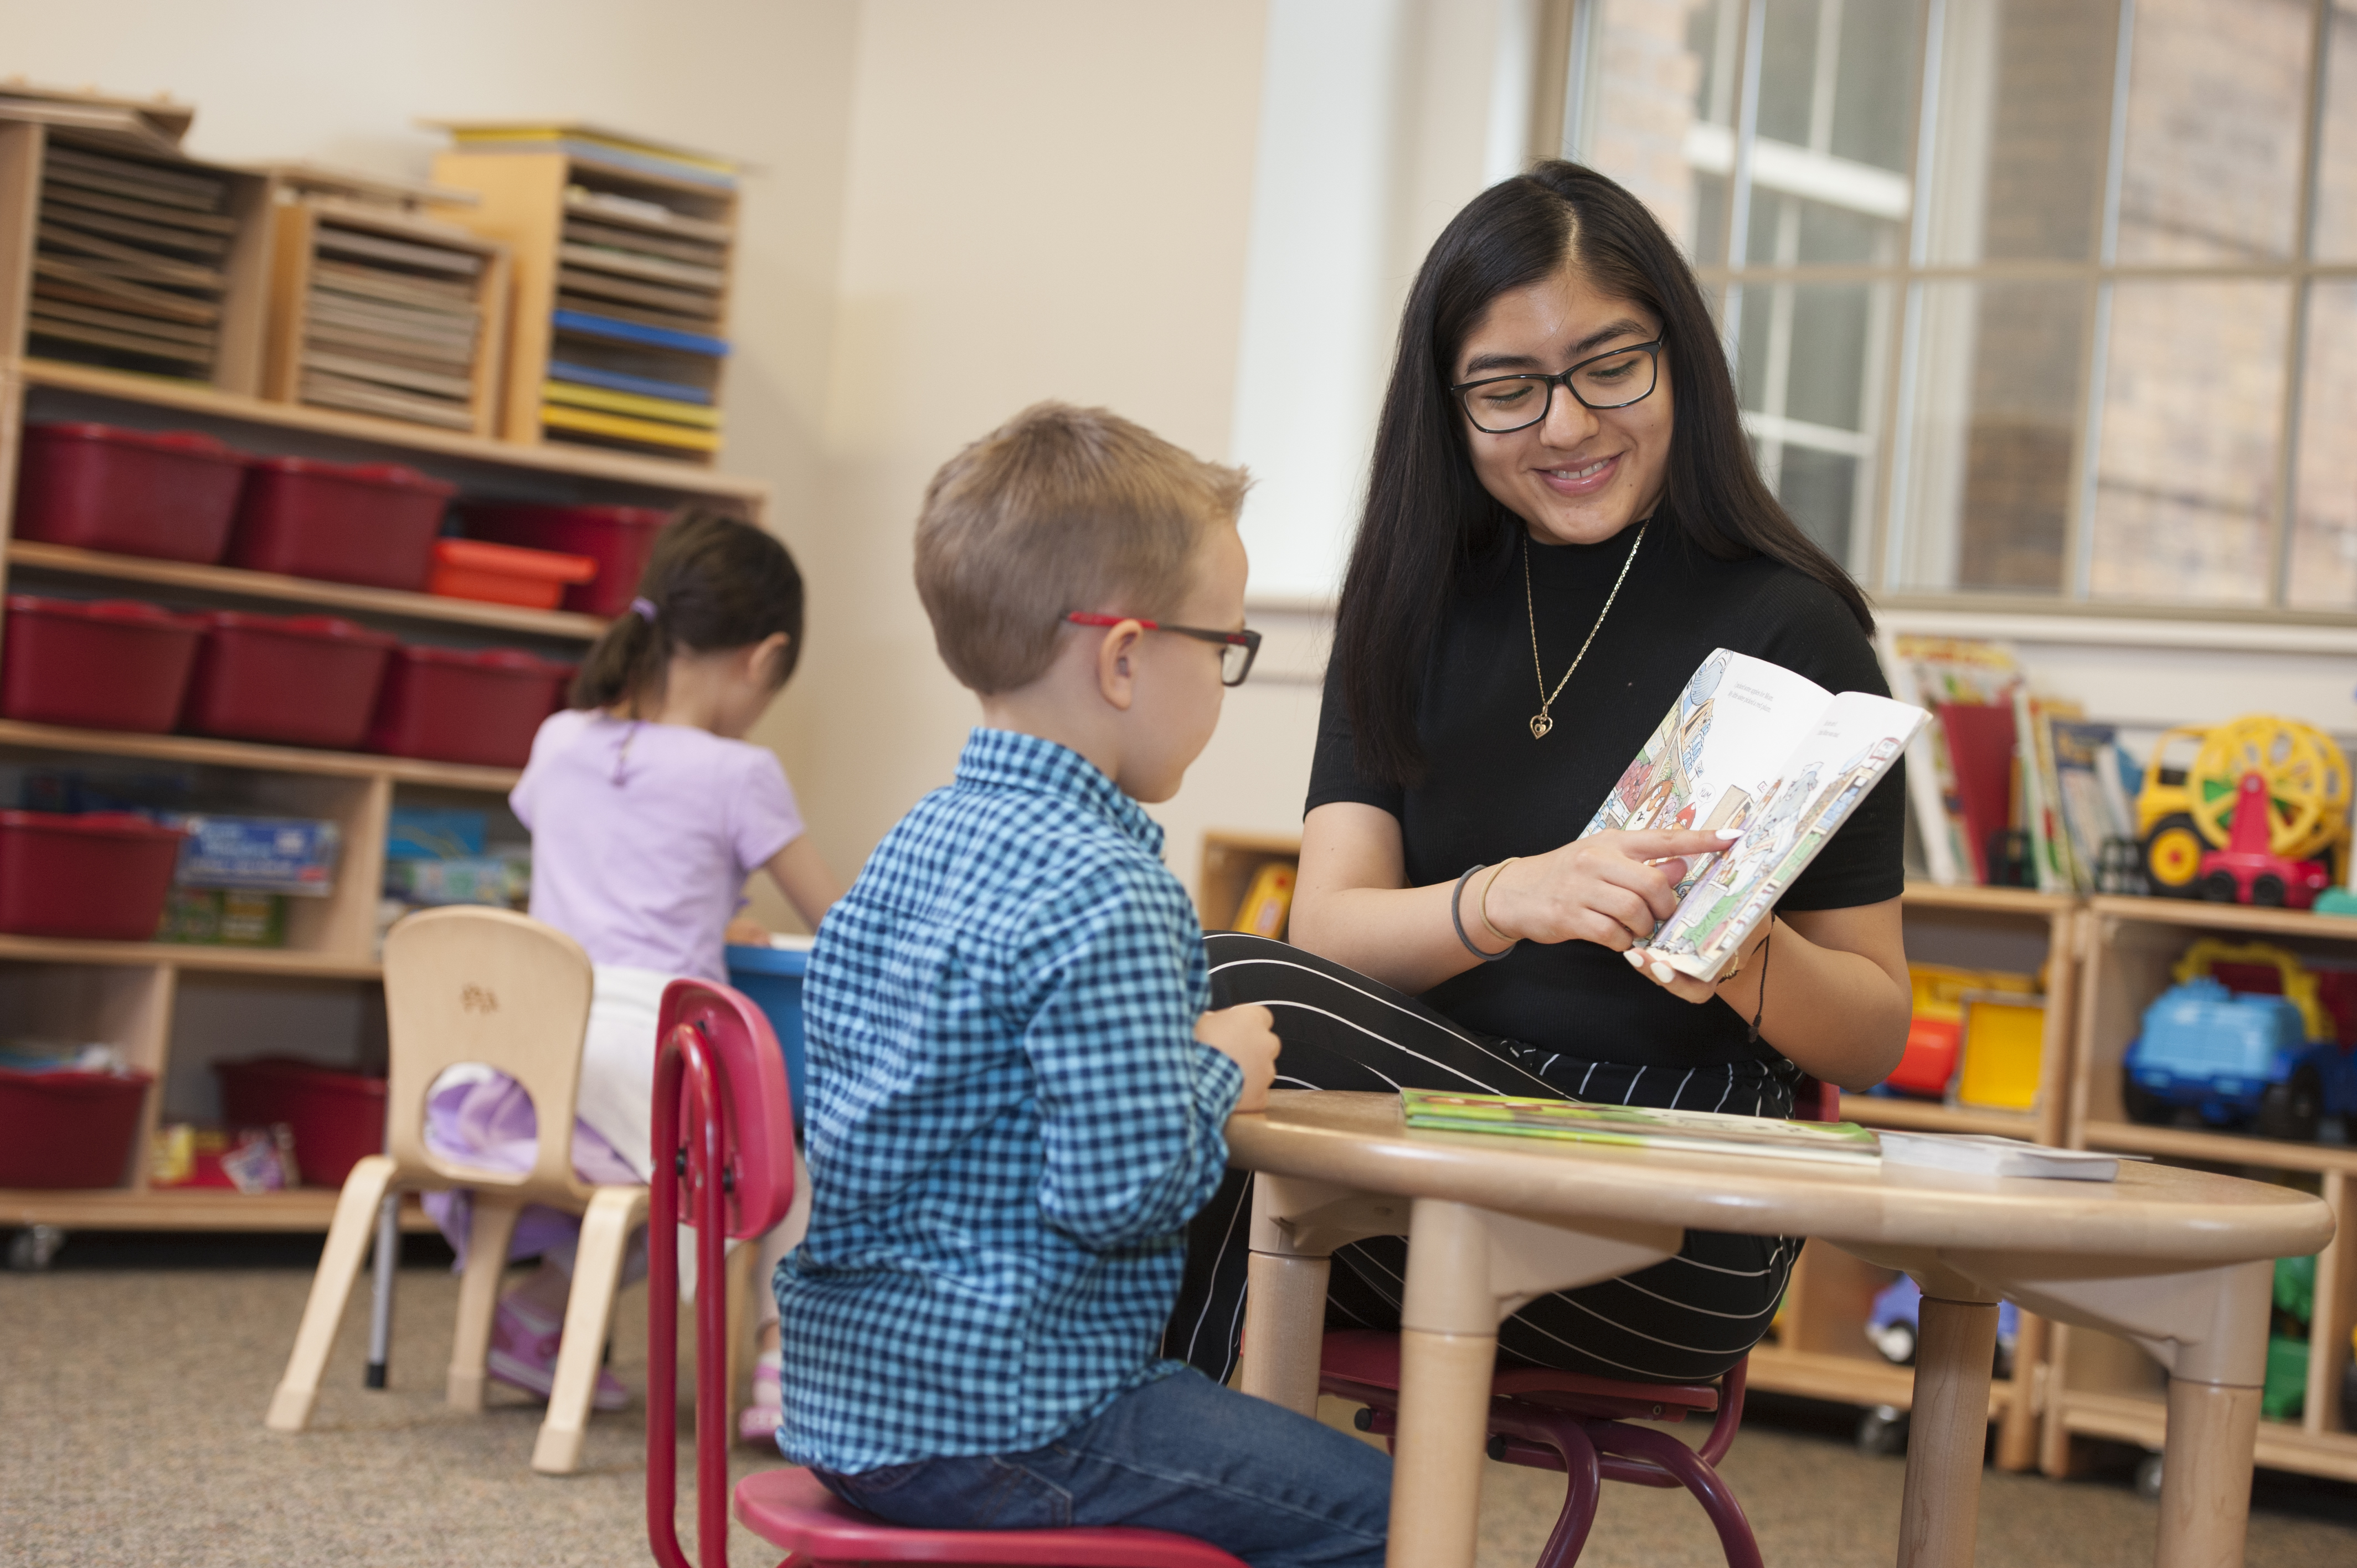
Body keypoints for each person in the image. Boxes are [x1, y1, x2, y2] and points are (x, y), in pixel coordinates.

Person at [1164, 161, 1911, 1388]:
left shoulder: (1796, 631)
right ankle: (1171, 1499)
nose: (1565, 426)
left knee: (1225, 989)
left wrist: (1730, 943)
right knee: (1175, 1102)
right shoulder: (1409, 610)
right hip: (1421, 1150)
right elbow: (1336, 929)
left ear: (1679, 360)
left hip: (1672, 1210)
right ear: (1446, 411)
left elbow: (1874, 1035)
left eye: (1610, 368)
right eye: (1506, 392)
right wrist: (1509, 897)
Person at [776, 404, 1390, 1567]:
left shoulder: (914, 843)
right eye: (1224, 650)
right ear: (1123, 657)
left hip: (846, 1406)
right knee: (1392, 1512)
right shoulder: (1110, 891)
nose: (1224, 678)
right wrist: (1219, 1069)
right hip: (1010, 1417)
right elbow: (1121, 1194)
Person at [421, 510, 841, 1430]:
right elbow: (838, 920)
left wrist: (712, 902)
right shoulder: (740, 773)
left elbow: (605, 868)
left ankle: (531, 1319)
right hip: (648, 1065)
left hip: (521, 1073)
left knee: (638, 1173)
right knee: (784, 1169)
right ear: (764, 659)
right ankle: (781, 1365)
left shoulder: (561, 740)